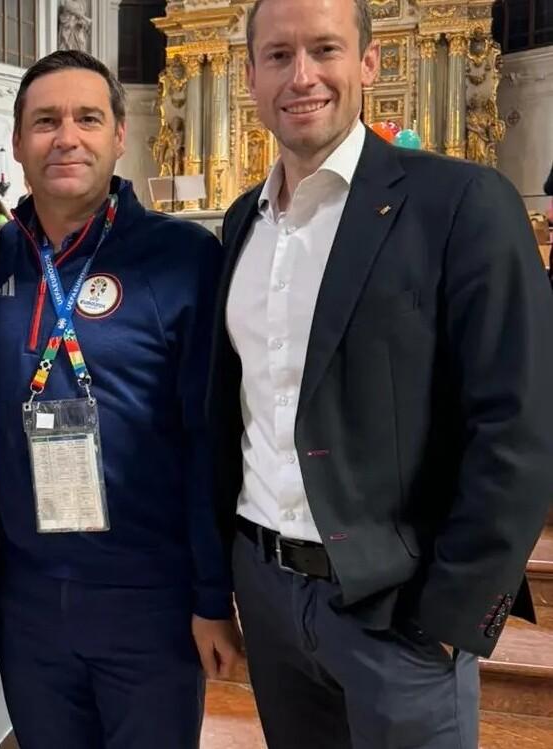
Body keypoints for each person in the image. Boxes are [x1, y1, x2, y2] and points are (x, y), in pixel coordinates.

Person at [208, 1, 553, 747]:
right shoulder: (241, 222)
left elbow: (519, 423)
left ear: (368, 62)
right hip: (267, 591)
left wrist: (457, 610)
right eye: (278, 56)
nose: (302, 76)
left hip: (398, 606)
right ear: (251, 76)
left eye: (325, 50)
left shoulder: (460, 203)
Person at [0, 50, 241, 748]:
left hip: (147, 598)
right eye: (45, 121)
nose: (67, 137)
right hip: (29, 600)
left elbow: (209, 437)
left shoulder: (182, 258)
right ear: (18, 142)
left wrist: (211, 594)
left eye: (87, 118)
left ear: (120, 134)